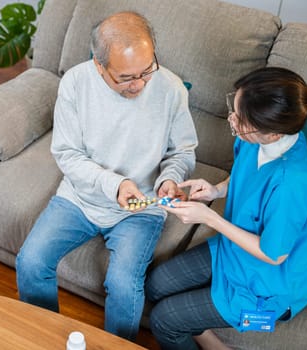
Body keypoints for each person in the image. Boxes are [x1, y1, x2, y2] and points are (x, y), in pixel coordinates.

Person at [15, 11, 197, 340]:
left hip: (141, 209)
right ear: (99, 65)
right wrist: (114, 184)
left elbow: (182, 152)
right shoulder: (75, 83)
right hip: (80, 198)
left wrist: (170, 178)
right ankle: (43, 337)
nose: (139, 84)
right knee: (30, 262)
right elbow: (67, 153)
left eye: (147, 70)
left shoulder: (170, 89)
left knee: (124, 286)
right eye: (126, 77)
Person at [145, 66, 307, 350]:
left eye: (239, 119)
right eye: (234, 108)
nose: (231, 120)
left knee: (164, 320)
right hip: (235, 252)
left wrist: (210, 217)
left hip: (271, 285)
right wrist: (217, 189)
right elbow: (242, 172)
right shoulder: (255, 140)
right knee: (155, 285)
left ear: (271, 133)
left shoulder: (294, 185)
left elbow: (273, 255)